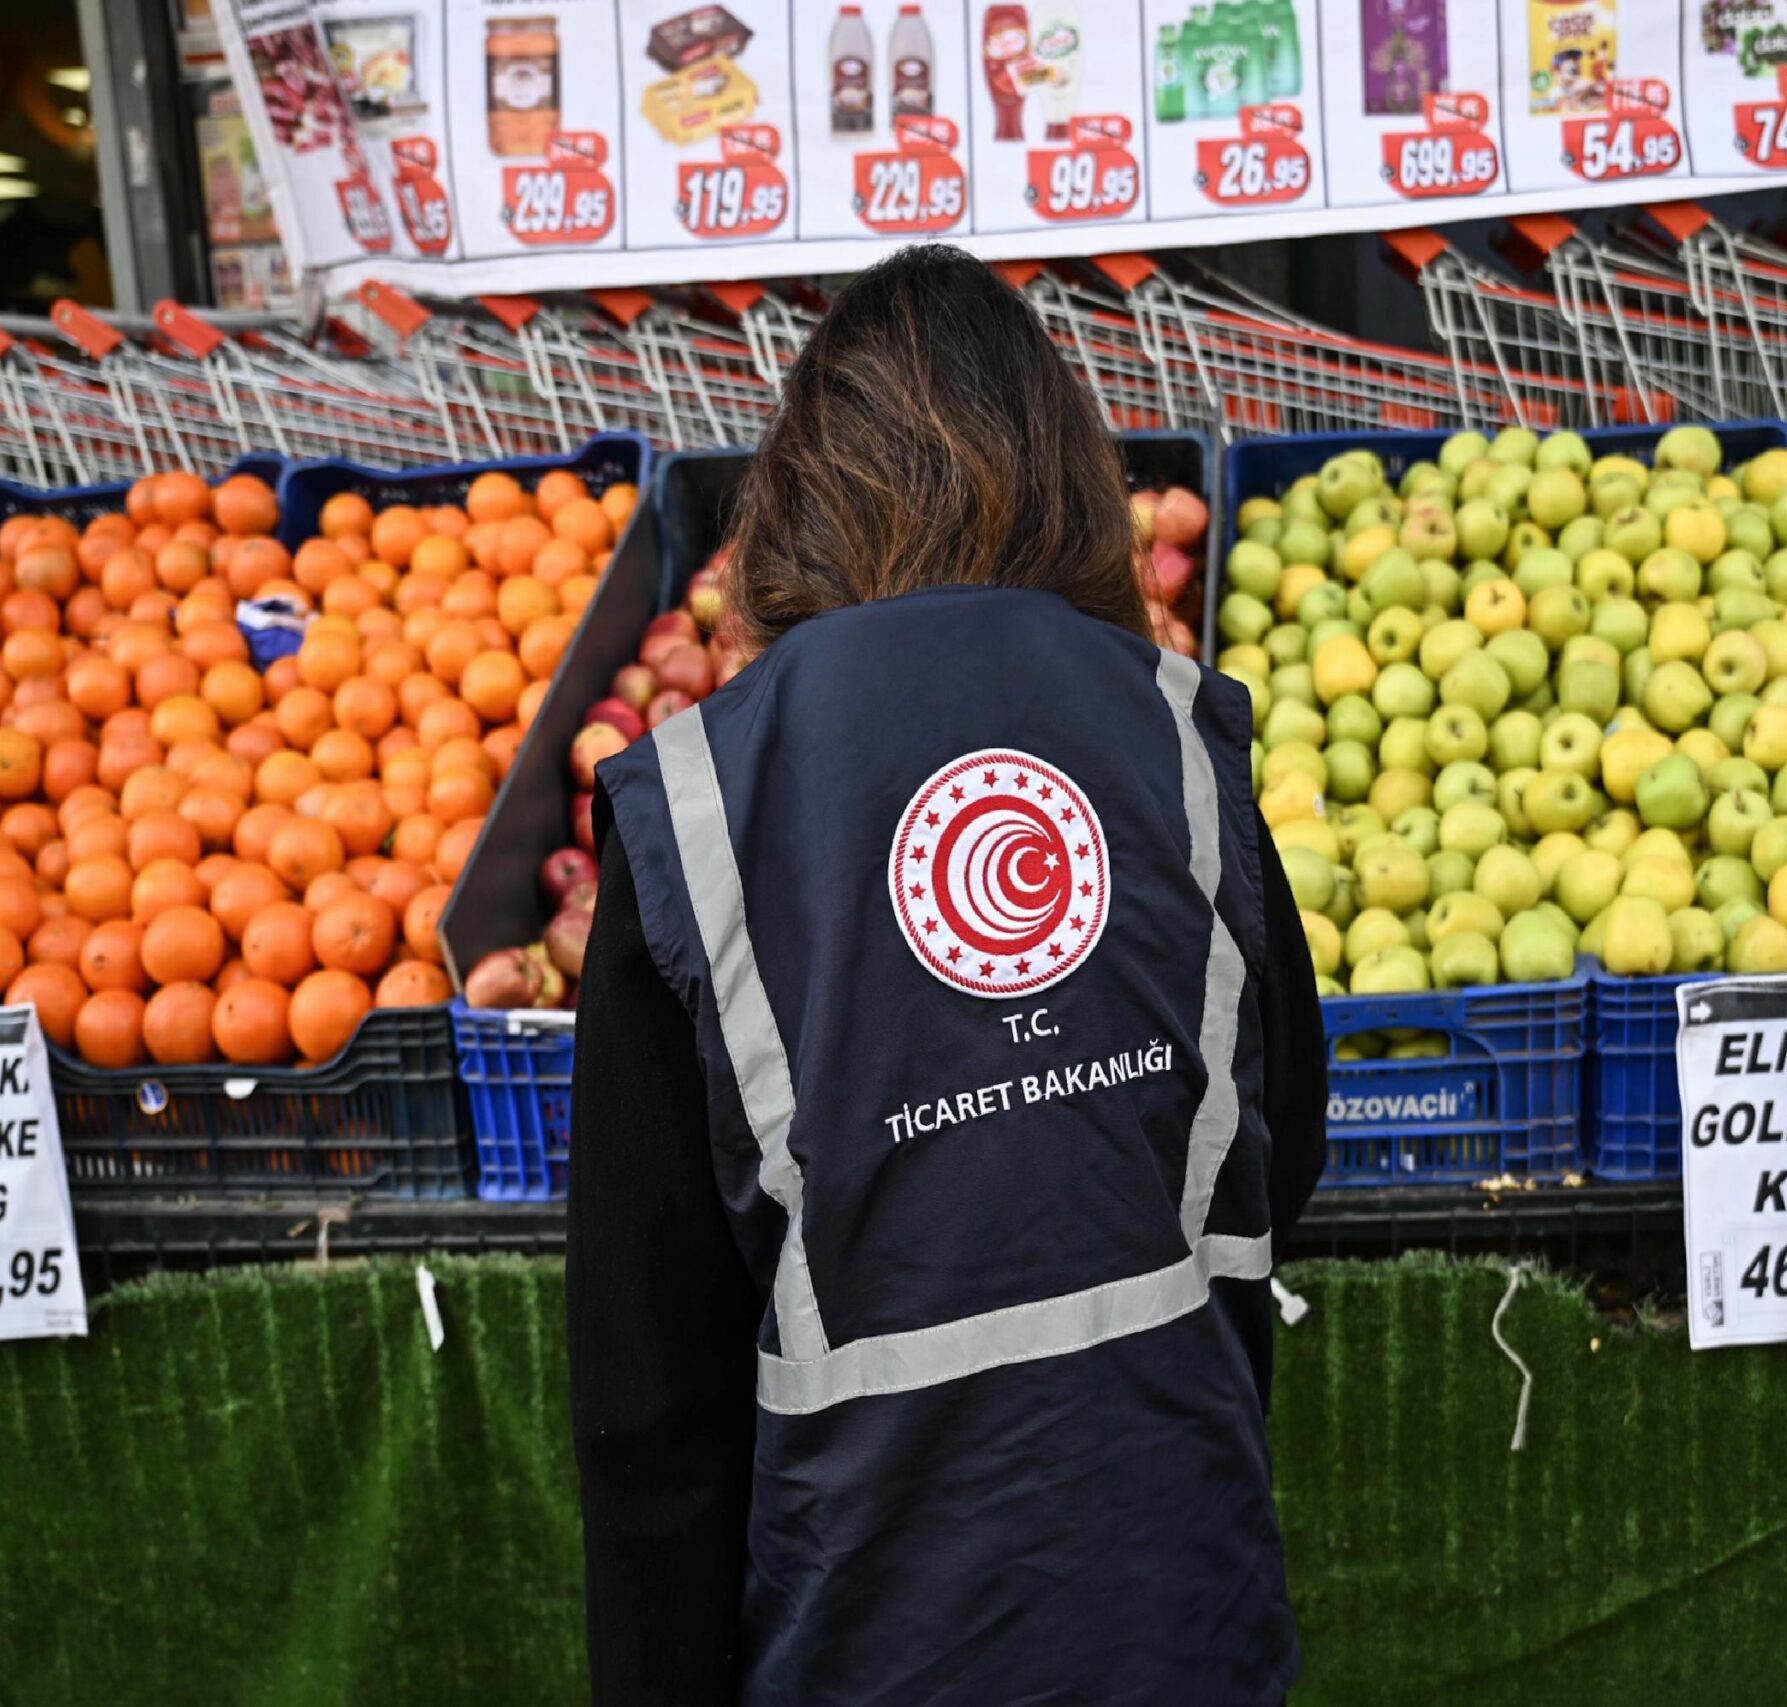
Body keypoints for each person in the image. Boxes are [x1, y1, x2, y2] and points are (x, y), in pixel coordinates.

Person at [567, 244, 1327, 1705]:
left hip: (866, 1655)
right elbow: (1277, 1141)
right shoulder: (1177, 737)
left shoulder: (699, 810)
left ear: (795, 500)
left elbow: (648, 1407)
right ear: (1070, 480)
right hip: (1189, 1630)